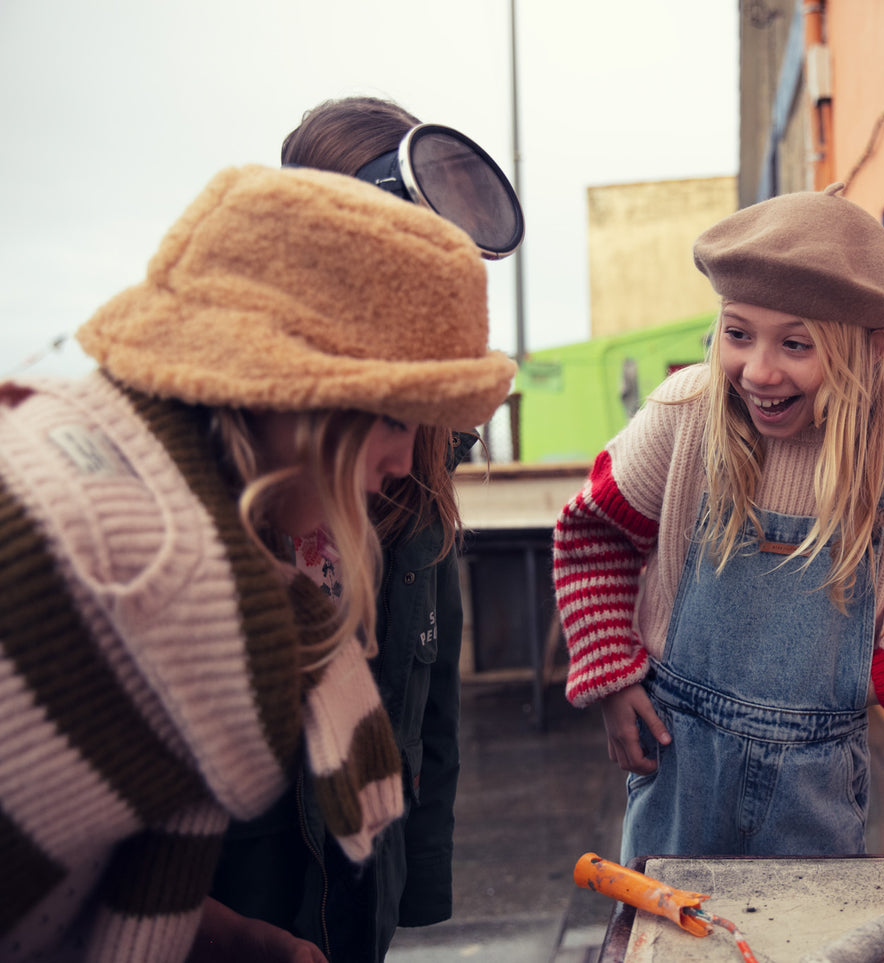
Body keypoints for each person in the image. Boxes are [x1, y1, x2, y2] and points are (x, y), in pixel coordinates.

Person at [0, 164, 515, 962]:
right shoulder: (119, 571)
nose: (408, 461)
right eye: (391, 417)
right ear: (288, 393)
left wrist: (231, 937)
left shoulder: (199, 539)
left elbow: (95, 864)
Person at [553, 184, 884, 863]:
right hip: (679, 767)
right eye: (737, 334)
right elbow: (592, 537)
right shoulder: (685, 414)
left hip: (819, 787)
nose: (758, 371)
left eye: (795, 344)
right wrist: (612, 675)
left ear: (870, 351)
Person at [198, 97, 523, 963]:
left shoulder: (420, 459)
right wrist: (217, 931)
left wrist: (415, 882)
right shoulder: (209, 472)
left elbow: (430, 692)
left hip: (359, 897)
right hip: (238, 898)